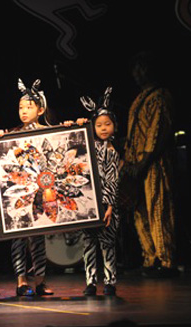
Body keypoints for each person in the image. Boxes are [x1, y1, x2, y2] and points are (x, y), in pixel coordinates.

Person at [121, 51, 178, 278]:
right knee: (140, 212)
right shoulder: (139, 99)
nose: (137, 73)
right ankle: (150, 257)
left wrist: (143, 161)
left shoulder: (161, 96)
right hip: (137, 165)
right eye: (135, 69)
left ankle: (166, 261)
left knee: (159, 208)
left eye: (141, 68)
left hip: (154, 164)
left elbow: (157, 133)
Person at [0, 79, 54, 297]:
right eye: (20, 107)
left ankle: (40, 281)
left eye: (29, 107)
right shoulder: (13, 134)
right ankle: (21, 281)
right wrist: (0, 139)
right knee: (18, 237)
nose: (24, 111)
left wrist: (72, 127)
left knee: (38, 238)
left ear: (40, 109)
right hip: (21, 191)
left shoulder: (49, 132)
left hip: (41, 191)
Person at [72, 87, 120, 296]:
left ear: (114, 126)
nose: (103, 128)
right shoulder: (88, 146)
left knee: (107, 244)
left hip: (106, 206)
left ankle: (110, 281)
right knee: (89, 244)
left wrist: (109, 206)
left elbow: (112, 180)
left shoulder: (112, 151)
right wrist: (76, 125)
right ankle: (90, 281)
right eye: (99, 125)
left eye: (107, 124)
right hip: (88, 205)